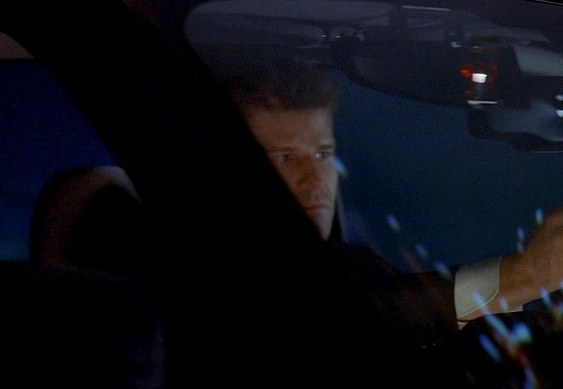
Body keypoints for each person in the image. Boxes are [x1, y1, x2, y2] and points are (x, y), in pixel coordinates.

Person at [222, 57, 563, 344]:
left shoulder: (351, 263)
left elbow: (417, 321)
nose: (315, 181)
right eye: (285, 158)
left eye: (323, 155)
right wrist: (523, 275)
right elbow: (365, 320)